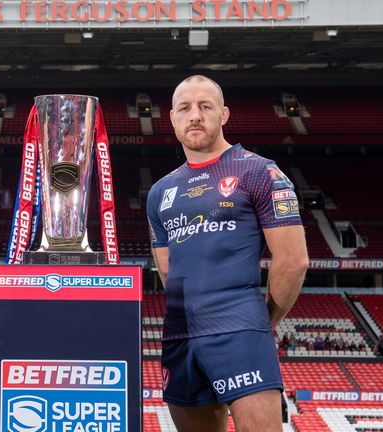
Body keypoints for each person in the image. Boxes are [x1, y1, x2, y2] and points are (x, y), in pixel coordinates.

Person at [146, 75, 308, 432]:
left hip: (240, 328)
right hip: (180, 336)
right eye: (185, 108)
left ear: (224, 115)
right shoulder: (160, 192)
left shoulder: (259, 171)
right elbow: (168, 272)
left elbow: (294, 261)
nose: (195, 116)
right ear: (172, 118)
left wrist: (260, 325)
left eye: (206, 106)